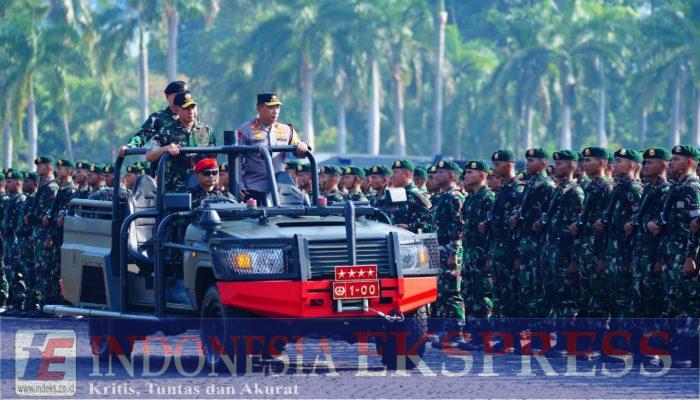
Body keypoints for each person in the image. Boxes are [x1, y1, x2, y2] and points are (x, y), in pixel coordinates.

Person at [533, 150, 585, 319]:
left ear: (571, 165)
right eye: (555, 163)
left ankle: (566, 341)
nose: (555, 167)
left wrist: (574, 260)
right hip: (551, 250)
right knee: (551, 296)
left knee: (566, 300)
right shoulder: (559, 189)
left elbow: (578, 230)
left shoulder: (576, 192)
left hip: (565, 253)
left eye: (560, 163)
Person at [594, 149, 643, 317]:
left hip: (625, 253)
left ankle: (625, 341)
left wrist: (632, 257)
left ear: (630, 165)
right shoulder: (618, 188)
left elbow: (639, 222)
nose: (614, 165)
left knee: (624, 302)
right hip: (612, 253)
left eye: (620, 161)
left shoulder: (633, 189)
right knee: (613, 301)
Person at [236, 93, 309, 204]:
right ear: (259, 108)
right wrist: (238, 185)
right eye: (270, 107)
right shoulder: (245, 130)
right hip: (254, 189)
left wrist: (302, 146)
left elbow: (299, 150)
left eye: (277, 107)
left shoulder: (287, 129)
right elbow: (237, 160)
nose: (275, 111)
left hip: (279, 189)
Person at [509, 148, 555, 317]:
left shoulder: (548, 187)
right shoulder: (531, 185)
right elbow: (522, 210)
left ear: (543, 163)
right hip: (526, 246)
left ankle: (540, 336)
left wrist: (541, 224)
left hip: (538, 248)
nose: (527, 164)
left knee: (538, 293)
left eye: (531, 161)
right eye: (527, 160)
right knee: (526, 292)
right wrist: (515, 217)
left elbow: (551, 218)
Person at [625, 148, 671, 317]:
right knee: (639, 301)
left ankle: (656, 342)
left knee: (655, 303)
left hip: (654, 256)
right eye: (644, 162)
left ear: (663, 165)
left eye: (650, 163)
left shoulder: (666, 191)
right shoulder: (648, 189)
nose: (644, 166)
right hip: (640, 254)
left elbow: (666, 228)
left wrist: (660, 259)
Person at [479, 149, 524, 316]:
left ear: (509, 165)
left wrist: (519, 256)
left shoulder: (517, 190)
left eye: (498, 164)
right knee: (500, 299)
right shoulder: (502, 189)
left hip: (511, 254)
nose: (494, 168)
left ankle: (516, 340)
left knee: (512, 298)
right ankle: (505, 338)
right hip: (498, 253)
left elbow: (520, 227)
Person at [570, 146, 614, 317]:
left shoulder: (607, 188)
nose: (584, 164)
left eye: (589, 160)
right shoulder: (590, 187)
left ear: (602, 163)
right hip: (585, 251)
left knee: (598, 303)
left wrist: (602, 257)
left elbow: (608, 226)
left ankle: (599, 342)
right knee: (585, 300)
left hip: (598, 252)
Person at [145, 91, 216, 192]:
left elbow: (214, 161)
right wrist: (166, 149)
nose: (191, 111)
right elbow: (149, 156)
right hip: (175, 191)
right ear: (176, 110)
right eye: (186, 108)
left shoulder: (206, 131)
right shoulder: (167, 131)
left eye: (193, 107)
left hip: (202, 190)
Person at [431, 161, 466, 337]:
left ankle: (457, 332)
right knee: (443, 291)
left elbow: (459, 227)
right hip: (440, 250)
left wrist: (454, 253)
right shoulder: (443, 196)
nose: (436, 176)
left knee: (453, 291)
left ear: (451, 175)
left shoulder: (455, 197)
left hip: (450, 251)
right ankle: (448, 330)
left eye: (440, 172)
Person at [460, 160, 495, 319]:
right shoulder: (470, 198)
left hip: (482, 256)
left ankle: (484, 337)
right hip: (469, 255)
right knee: (469, 294)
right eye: (466, 172)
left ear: (482, 175)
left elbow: (494, 230)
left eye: (470, 172)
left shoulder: (488, 198)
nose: (466, 175)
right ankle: (474, 336)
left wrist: (489, 257)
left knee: (482, 296)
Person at [120, 80, 188, 156]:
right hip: (163, 165)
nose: (182, 98)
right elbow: (142, 135)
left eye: (184, 95)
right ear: (167, 97)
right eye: (177, 95)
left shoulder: (190, 116)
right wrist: (130, 146)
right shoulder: (158, 117)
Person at [28, 156, 59, 309]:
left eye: (41, 166)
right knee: (39, 270)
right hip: (37, 234)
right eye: (37, 166)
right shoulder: (43, 184)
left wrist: (49, 236)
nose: (38, 169)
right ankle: (42, 304)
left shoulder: (52, 187)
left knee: (46, 270)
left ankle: (47, 305)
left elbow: (51, 214)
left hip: (44, 234)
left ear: (49, 167)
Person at [0, 169, 25, 313]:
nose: (7, 184)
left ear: (18, 182)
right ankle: (14, 302)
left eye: (9, 181)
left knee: (17, 271)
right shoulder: (10, 199)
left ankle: (19, 302)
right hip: (7, 239)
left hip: (14, 240)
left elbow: (18, 223)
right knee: (10, 271)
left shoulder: (20, 200)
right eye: (6, 181)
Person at [14, 172, 38, 313]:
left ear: (35, 183)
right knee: (25, 271)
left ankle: (33, 303)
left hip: (30, 240)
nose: (24, 183)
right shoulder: (28, 199)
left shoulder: (34, 199)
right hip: (22, 240)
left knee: (32, 272)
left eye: (27, 181)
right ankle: (27, 304)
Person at [387, 160, 433, 233]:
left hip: (412, 240)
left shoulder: (415, 193)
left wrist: (410, 227)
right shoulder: (398, 192)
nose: (392, 176)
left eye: (395, 172)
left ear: (406, 174)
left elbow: (431, 217)